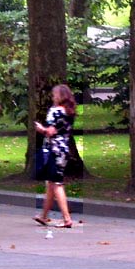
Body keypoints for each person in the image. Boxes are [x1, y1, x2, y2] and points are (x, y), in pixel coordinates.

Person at [33, 83, 76, 228]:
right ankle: (44, 216)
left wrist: (40, 129)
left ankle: (67, 218)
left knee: (56, 183)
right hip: (63, 150)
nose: (53, 97)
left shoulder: (55, 111)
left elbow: (50, 131)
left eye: (54, 95)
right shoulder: (69, 112)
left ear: (59, 96)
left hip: (53, 150)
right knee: (51, 184)